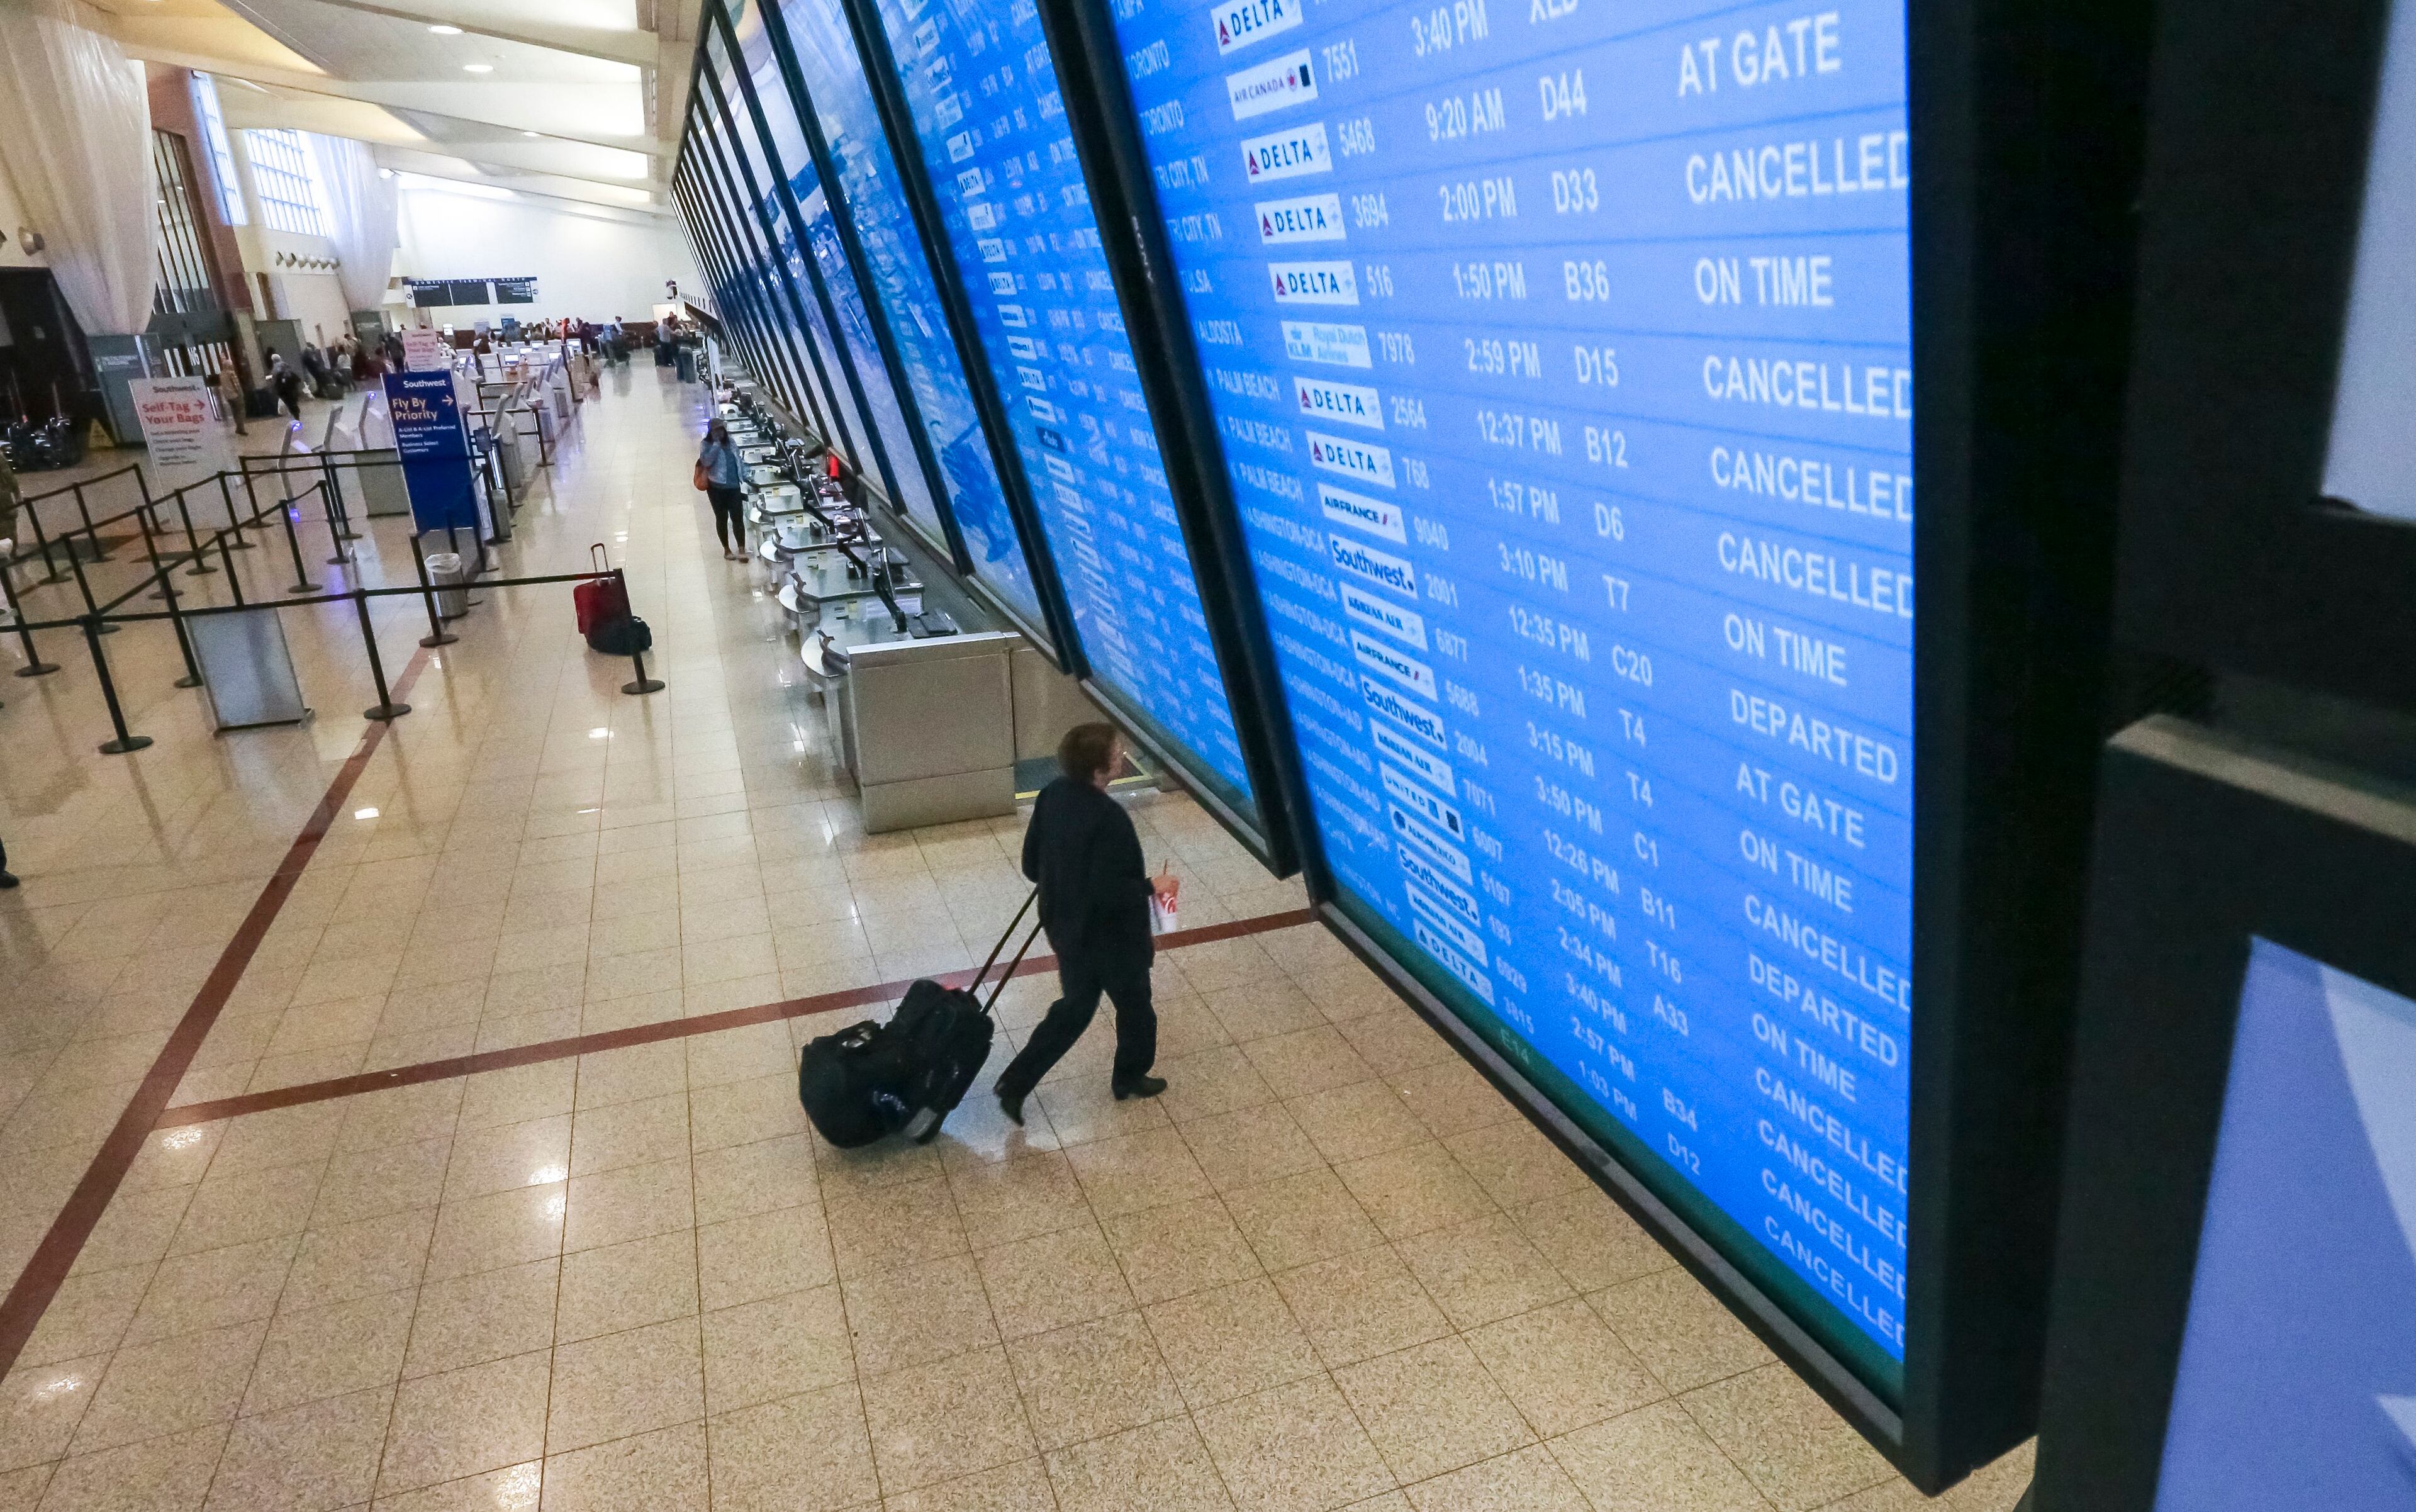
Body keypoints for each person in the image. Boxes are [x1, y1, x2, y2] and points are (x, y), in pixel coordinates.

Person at [993, 724, 1180, 1124]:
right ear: (1101, 768)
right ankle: (1128, 1077)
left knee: (1074, 1010)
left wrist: (1064, 877)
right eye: (1117, 751)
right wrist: (1152, 886)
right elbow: (1111, 893)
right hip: (1112, 939)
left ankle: (1015, 1082)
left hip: (1067, 931)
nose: (1123, 753)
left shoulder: (1052, 795)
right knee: (1135, 1008)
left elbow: (1031, 866)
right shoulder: (1110, 818)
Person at [698, 418, 746, 560]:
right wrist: (716, 445)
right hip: (716, 488)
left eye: (721, 430)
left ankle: (741, 549)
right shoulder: (706, 445)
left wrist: (744, 475)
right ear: (711, 432)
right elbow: (706, 462)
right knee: (722, 518)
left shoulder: (731, 442)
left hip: (734, 486)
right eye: (716, 430)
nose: (719, 433)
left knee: (738, 517)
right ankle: (726, 549)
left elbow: (738, 460)